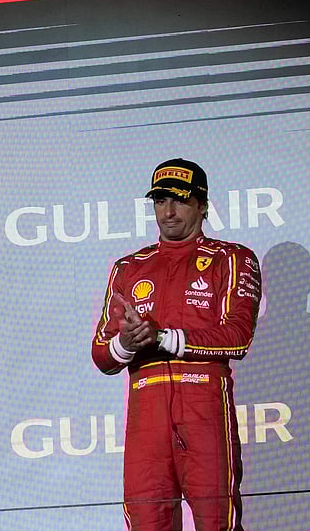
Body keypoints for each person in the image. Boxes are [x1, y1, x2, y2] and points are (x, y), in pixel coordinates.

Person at [90, 159, 261, 531]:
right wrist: (127, 343)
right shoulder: (128, 267)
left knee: (217, 522)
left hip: (204, 409)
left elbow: (238, 337)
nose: (168, 212)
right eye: (160, 200)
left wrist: (163, 338)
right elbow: (102, 355)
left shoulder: (232, 259)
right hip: (146, 416)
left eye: (180, 201)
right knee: (147, 523)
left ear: (203, 205)